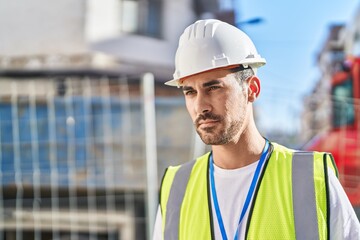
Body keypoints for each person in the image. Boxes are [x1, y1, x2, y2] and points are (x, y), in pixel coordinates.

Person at [152, 19, 360, 240]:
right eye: (190, 92)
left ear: (251, 89)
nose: (200, 106)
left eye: (213, 87)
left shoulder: (311, 178)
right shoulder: (176, 188)